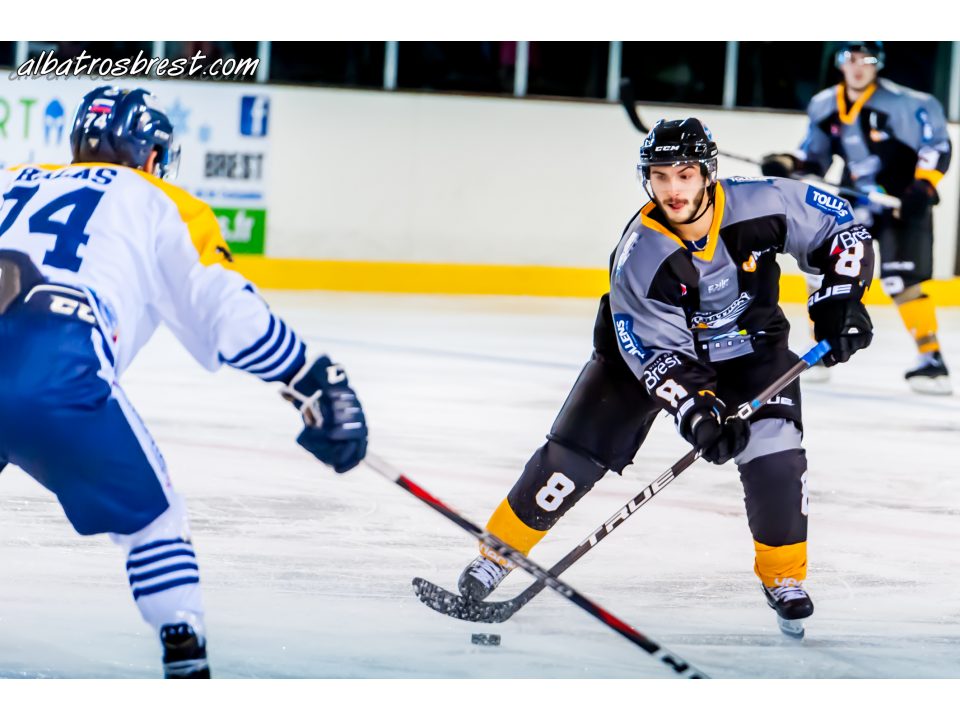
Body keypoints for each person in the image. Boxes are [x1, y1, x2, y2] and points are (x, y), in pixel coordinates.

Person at [0, 86, 368, 677]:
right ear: (149, 153)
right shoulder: (159, 199)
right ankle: (186, 659)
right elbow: (227, 313)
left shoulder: (11, 177)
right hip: (55, 361)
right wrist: (311, 377)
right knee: (153, 523)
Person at [457, 118, 875, 638]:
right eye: (659, 176)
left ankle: (784, 578)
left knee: (777, 459)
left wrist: (839, 301)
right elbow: (656, 351)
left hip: (751, 348)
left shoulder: (763, 202)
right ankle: (498, 554)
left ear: (707, 174)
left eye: (683, 175)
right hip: (639, 359)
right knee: (570, 458)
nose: (672, 189)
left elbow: (842, 229)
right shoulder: (642, 254)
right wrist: (697, 410)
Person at [762, 41, 953, 395]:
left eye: (866, 58)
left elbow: (936, 146)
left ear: (878, 63)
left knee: (901, 281)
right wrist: (788, 164)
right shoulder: (824, 104)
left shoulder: (910, 103)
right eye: (851, 58)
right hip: (856, 200)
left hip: (902, 202)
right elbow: (813, 159)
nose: (859, 66)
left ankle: (932, 360)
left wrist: (922, 188)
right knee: (827, 269)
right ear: (840, 63)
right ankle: (820, 350)